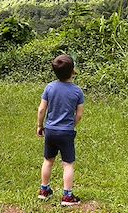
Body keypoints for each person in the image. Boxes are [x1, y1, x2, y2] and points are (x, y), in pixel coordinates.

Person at [36, 54, 84, 207]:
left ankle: (44, 191)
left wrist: (39, 125)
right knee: (68, 164)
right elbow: (79, 114)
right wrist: (72, 125)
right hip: (66, 131)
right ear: (72, 71)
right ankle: (67, 196)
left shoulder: (49, 88)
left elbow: (42, 109)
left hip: (50, 130)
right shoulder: (77, 92)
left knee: (48, 161)